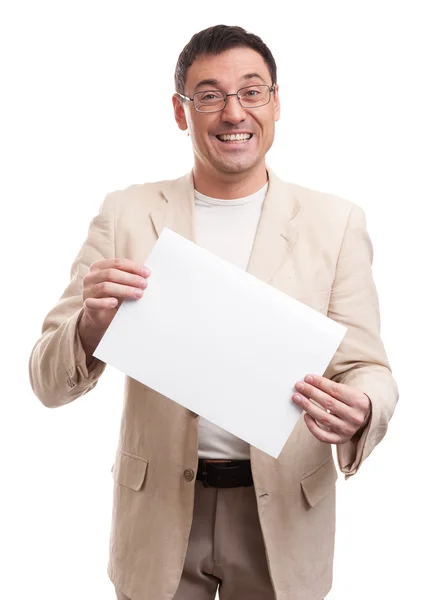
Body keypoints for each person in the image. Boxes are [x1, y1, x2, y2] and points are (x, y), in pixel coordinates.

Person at [29, 24, 398, 600]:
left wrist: (365, 407)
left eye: (251, 92)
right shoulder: (126, 213)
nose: (233, 112)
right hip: (157, 515)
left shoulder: (337, 223)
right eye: (209, 95)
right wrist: (88, 329)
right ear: (181, 112)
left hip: (283, 513)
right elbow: (45, 382)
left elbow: (368, 367)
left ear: (276, 104)